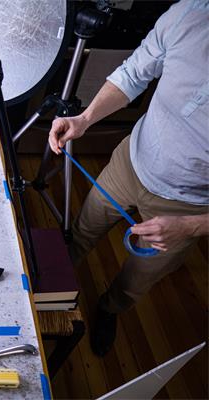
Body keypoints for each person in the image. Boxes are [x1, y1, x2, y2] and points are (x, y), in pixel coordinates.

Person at [48, 0, 209, 357]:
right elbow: (134, 74)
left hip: (189, 207)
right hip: (131, 161)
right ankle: (52, 286)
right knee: (82, 230)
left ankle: (108, 308)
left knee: (138, 277)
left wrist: (192, 227)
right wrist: (85, 118)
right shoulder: (191, 12)